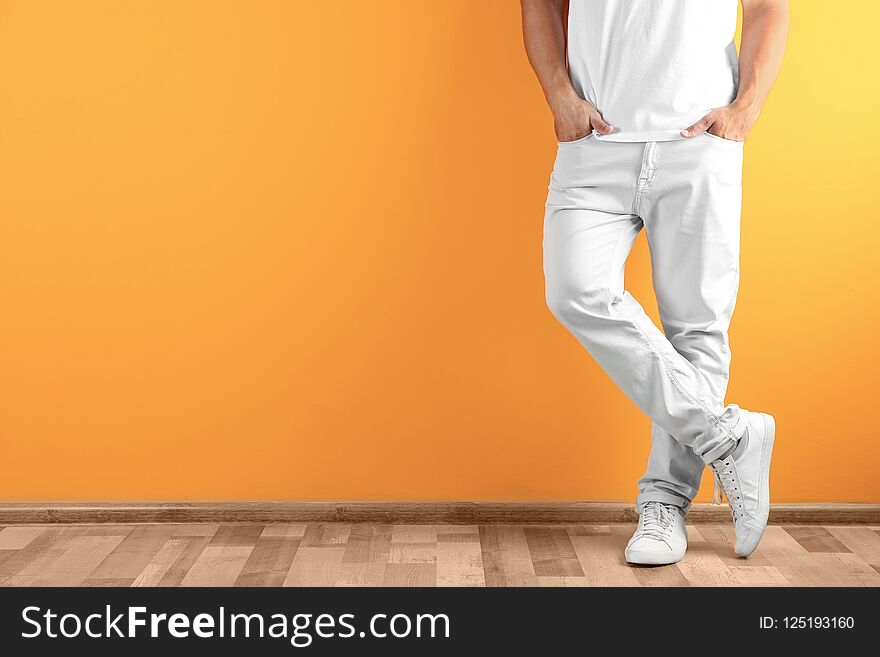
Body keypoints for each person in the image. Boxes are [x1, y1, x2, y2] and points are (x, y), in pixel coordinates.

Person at [521, 0, 789, 564]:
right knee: (574, 290)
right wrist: (558, 96)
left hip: (698, 145)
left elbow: (768, 8)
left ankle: (665, 504)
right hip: (594, 144)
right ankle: (727, 435)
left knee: (697, 328)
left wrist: (745, 109)